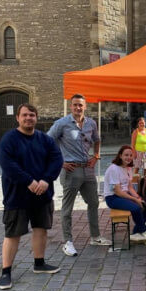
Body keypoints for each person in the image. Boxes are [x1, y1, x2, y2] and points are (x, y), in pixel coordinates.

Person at [0, 103, 63, 290]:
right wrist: (29, 181)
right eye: (25, 115)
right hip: (17, 196)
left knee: (41, 228)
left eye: (32, 115)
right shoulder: (9, 140)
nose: (28, 118)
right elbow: (8, 164)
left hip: (42, 194)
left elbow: (56, 159)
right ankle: (6, 272)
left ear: (36, 117)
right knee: (13, 234)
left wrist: (45, 180)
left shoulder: (45, 139)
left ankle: (39, 263)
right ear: (17, 118)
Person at [48, 94, 112, 257]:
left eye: (80, 105)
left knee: (93, 202)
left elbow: (97, 140)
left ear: (85, 106)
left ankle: (95, 236)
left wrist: (96, 156)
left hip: (88, 170)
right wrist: (60, 162)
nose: (78, 108)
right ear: (71, 106)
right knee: (67, 207)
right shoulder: (62, 124)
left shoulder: (91, 123)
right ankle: (68, 242)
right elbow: (47, 142)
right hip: (71, 170)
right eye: (75, 105)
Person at [104, 145, 146, 242]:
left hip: (124, 194)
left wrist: (137, 197)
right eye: (126, 155)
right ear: (120, 156)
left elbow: (129, 187)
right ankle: (143, 230)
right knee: (136, 208)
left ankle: (136, 232)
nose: (129, 157)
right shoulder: (114, 169)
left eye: (131, 155)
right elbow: (117, 191)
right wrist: (135, 200)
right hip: (113, 198)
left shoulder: (128, 168)